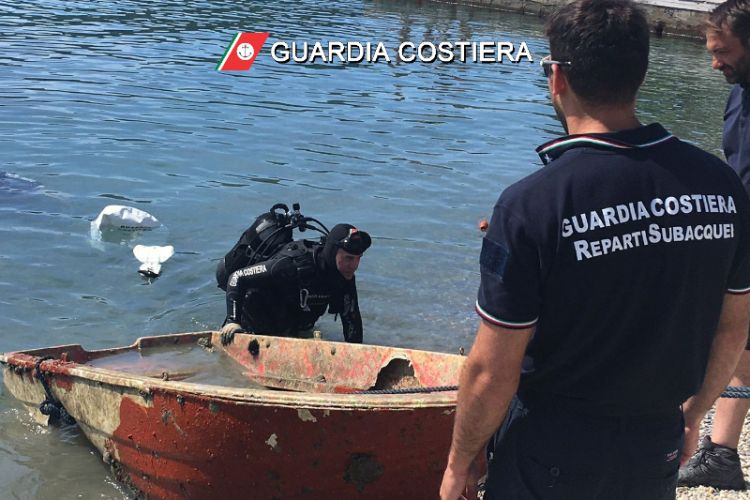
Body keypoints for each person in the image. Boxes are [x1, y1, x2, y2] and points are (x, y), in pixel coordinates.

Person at [439, 0, 750, 499]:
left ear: (557, 78)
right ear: (640, 76)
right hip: (655, 440)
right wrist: (693, 414)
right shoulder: (722, 187)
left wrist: (458, 463)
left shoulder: (533, 204)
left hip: (553, 445)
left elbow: (492, 370)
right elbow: (734, 325)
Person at [679, 0, 750, 490]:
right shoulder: (740, 92)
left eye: (723, 51)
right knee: (739, 341)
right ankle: (722, 452)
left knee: (734, 336)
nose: (714, 63)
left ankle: (722, 452)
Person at [219, 222, 371, 345]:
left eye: (359, 258)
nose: (354, 265)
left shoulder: (344, 277)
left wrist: (355, 353)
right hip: (256, 326)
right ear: (332, 251)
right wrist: (233, 322)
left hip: (292, 328)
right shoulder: (293, 264)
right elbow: (237, 277)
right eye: (349, 258)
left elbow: (352, 320)